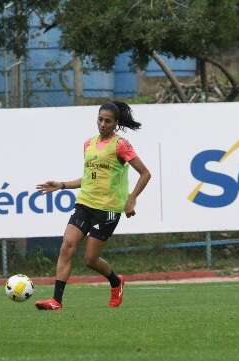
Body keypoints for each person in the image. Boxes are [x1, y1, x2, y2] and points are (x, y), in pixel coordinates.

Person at [34, 101, 151, 311]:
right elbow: (88, 179)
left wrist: (132, 198)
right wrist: (61, 185)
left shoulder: (121, 145)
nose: (102, 124)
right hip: (85, 203)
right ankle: (56, 301)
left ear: (116, 123)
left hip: (108, 210)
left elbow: (145, 173)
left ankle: (116, 281)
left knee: (90, 259)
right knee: (67, 246)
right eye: (100, 119)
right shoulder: (88, 144)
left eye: (108, 121)